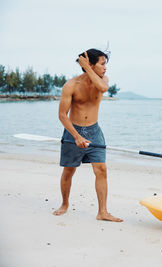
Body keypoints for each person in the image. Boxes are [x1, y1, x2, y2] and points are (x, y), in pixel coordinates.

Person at [53, 48, 123, 222]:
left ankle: (103, 212)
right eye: (102, 63)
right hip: (73, 132)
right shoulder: (71, 85)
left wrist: (89, 69)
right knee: (69, 171)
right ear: (90, 64)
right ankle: (64, 204)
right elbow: (62, 115)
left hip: (94, 131)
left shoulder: (102, 80)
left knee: (101, 170)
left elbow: (103, 88)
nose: (105, 68)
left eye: (105, 63)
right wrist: (76, 136)